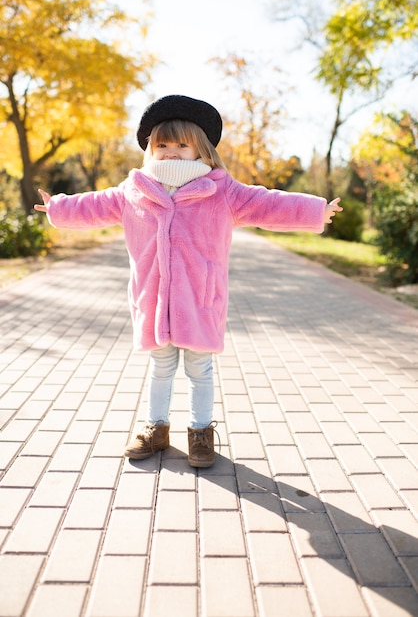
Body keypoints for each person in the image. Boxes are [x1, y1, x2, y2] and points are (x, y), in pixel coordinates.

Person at [35, 94, 343, 468]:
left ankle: (200, 433)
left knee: (200, 369)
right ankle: (156, 428)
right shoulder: (134, 190)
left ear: (200, 148)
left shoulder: (221, 190)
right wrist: (59, 207)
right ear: (151, 148)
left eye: (182, 144)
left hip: (200, 297)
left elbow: (267, 203)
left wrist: (315, 210)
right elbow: (95, 205)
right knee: (160, 367)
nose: (172, 151)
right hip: (154, 299)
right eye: (162, 144)